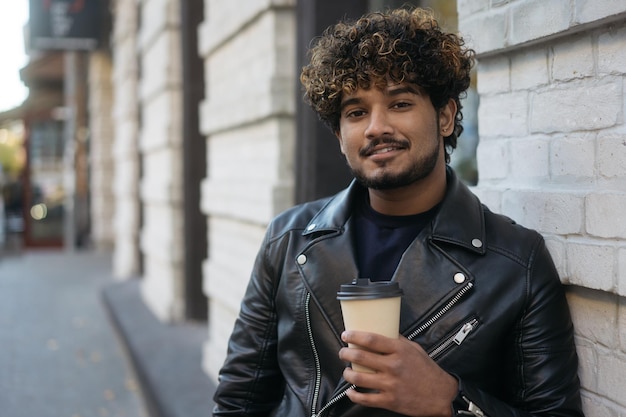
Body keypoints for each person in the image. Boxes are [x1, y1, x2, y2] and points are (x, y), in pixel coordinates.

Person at [212, 7, 584, 417]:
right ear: (340, 135)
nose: (376, 127)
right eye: (356, 112)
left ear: (445, 116)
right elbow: (238, 401)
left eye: (400, 103)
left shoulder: (516, 262)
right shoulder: (288, 238)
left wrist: (452, 400)